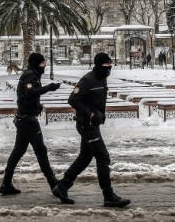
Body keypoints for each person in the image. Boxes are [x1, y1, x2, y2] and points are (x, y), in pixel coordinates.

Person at [51, 52, 130, 208]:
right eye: (106, 66)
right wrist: (91, 114)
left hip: (93, 124)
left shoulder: (102, 78)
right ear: (99, 65)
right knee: (103, 157)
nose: (109, 68)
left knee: (85, 157)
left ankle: (62, 186)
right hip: (86, 124)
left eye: (110, 65)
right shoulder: (88, 80)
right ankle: (108, 196)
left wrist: (100, 115)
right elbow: (72, 99)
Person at [0, 53, 62, 196]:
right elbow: (29, 93)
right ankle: (54, 185)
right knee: (41, 152)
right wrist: (49, 88)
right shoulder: (30, 75)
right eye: (42, 64)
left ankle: (6, 184)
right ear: (35, 64)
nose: (44, 66)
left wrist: (37, 107)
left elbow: (27, 97)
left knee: (18, 152)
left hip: (25, 119)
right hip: (27, 121)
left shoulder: (32, 74)